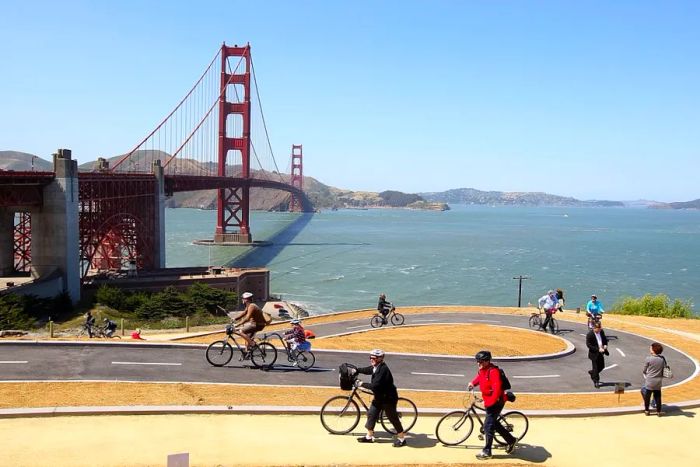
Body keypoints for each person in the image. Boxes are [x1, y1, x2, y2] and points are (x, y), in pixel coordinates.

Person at [468, 350, 517, 460]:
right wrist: (473, 383)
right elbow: (479, 378)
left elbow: (497, 389)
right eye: (477, 361)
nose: (478, 363)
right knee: (493, 423)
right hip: (489, 400)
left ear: (486, 361)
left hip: (497, 401)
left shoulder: (493, 371)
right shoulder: (482, 370)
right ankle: (511, 440)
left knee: (488, 426)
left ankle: (487, 452)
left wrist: (489, 402)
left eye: (480, 361)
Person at [354, 349, 407, 447]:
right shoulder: (376, 367)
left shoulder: (383, 370)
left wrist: (361, 384)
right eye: (370, 357)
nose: (371, 359)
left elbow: (375, 386)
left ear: (380, 359)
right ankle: (369, 437)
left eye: (374, 358)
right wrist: (357, 369)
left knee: (392, 417)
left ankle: (402, 438)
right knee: (371, 414)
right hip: (379, 396)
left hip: (388, 398)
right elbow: (369, 369)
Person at [642, 342, 666, 416]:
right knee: (658, 396)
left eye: (651, 348)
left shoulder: (648, 359)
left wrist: (644, 374)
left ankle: (647, 410)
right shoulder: (662, 359)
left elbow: (644, 370)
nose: (650, 349)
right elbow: (665, 367)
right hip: (658, 380)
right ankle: (658, 411)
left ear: (653, 350)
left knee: (647, 396)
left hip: (650, 380)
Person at [586, 321, 609, 388]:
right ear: (594, 328)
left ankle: (592, 373)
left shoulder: (601, 332)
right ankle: (596, 381)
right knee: (595, 368)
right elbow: (588, 345)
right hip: (594, 354)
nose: (599, 330)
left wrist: (605, 345)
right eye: (598, 329)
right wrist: (597, 349)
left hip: (601, 352)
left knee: (602, 366)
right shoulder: (590, 334)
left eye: (600, 328)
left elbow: (605, 340)